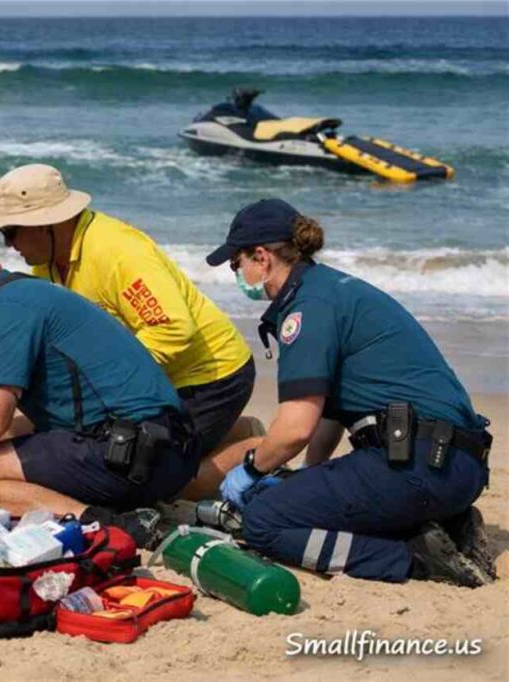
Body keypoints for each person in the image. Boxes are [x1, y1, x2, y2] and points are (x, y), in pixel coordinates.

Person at [207, 198, 494, 587]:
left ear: (262, 257)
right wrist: (309, 474)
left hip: (418, 467)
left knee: (263, 522)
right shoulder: (332, 287)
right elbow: (329, 414)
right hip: (458, 467)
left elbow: (295, 427)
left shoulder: (306, 308)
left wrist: (251, 468)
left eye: (235, 263)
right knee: (298, 495)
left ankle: (412, 557)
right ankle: (446, 522)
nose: (236, 273)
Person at [0, 235, 200, 548]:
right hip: (165, 446)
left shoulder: (6, 312)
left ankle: (107, 526)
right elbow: (24, 417)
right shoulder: (27, 293)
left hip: (134, 455)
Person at [0, 164, 258, 500]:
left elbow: (173, 327)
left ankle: (261, 449)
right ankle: (238, 431)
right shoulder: (48, 263)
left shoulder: (117, 252)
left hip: (210, 376)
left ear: (46, 224)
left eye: (11, 232)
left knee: (162, 483)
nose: (9, 245)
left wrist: (113, 378)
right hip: (159, 377)